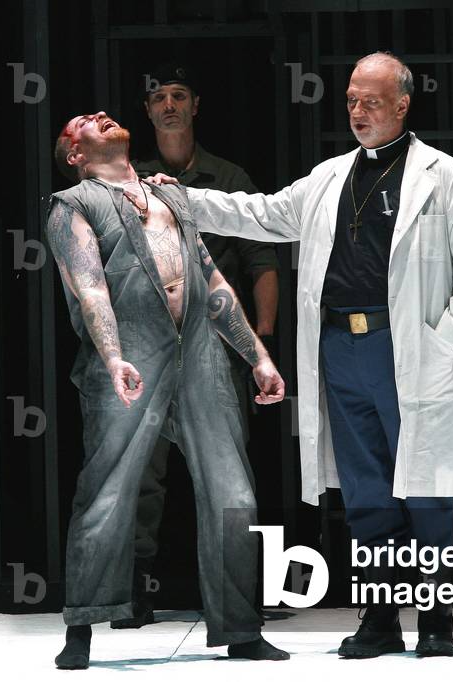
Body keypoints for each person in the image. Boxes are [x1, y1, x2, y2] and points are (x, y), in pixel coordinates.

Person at [149, 51, 453, 658]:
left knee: (427, 487)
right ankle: (380, 619)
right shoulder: (330, 176)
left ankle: (436, 618)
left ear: (402, 104)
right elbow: (260, 213)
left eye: (371, 101)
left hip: (408, 345)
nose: (359, 112)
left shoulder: (442, 175)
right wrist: (185, 201)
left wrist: (446, 344)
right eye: (352, 101)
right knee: (366, 490)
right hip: (340, 346)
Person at [45, 111, 290, 669]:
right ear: (74, 154)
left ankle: (241, 628)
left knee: (235, 494)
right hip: (132, 351)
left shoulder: (173, 196)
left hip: (200, 354)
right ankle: (82, 627)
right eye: (85, 122)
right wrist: (112, 357)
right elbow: (89, 288)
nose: (101, 117)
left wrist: (258, 356)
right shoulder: (73, 204)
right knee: (108, 489)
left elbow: (211, 277)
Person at [109, 63, 280, 629]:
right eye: (158, 97)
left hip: (215, 344)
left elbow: (261, 261)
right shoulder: (132, 181)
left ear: (196, 104)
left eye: (178, 95)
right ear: (147, 110)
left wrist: (261, 344)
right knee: (141, 473)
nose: (169, 105)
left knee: (229, 475)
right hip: (151, 346)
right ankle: (133, 589)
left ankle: (239, 596)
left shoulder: (228, 176)